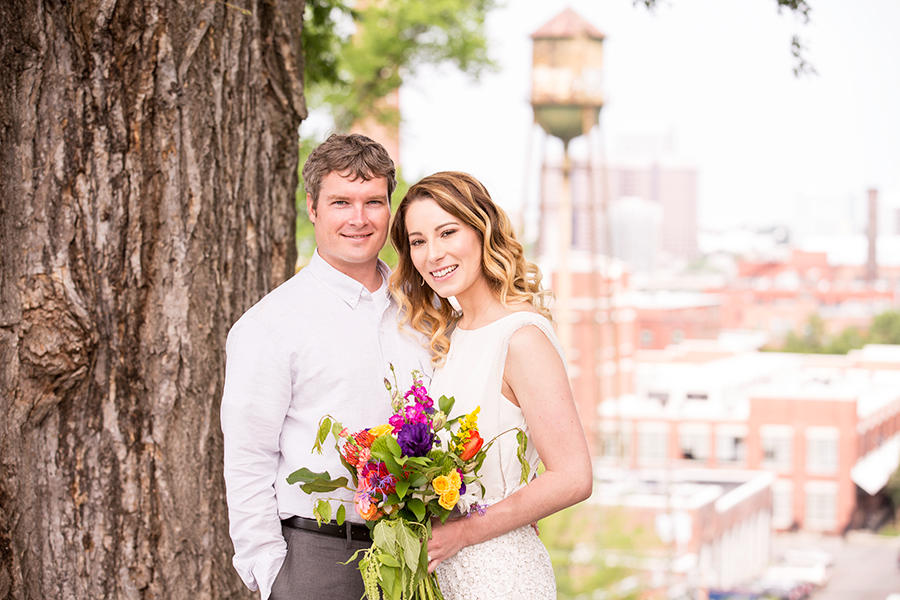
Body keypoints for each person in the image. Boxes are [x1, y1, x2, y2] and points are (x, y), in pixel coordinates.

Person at [221, 133, 431, 600]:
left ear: (389, 211)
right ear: (313, 208)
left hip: (422, 556)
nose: (359, 219)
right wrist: (275, 576)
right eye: (341, 202)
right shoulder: (270, 325)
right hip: (318, 559)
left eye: (373, 202)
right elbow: (247, 461)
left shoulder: (423, 312)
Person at [388, 171, 594, 599]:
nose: (433, 253)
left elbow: (573, 476)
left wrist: (464, 532)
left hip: (502, 574)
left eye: (448, 232)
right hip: (447, 572)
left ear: (482, 231)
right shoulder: (450, 336)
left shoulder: (521, 337)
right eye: (419, 241)